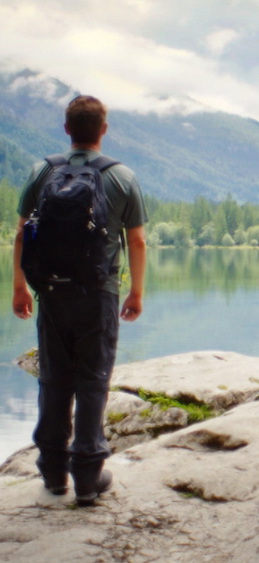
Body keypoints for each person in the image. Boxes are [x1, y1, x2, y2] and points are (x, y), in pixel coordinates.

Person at [11, 95, 147, 507]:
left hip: (51, 292)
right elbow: (137, 240)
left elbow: (21, 234)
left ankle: (53, 474)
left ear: (66, 129)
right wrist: (136, 292)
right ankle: (88, 477)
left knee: (54, 379)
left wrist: (19, 286)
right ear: (103, 130)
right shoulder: (122, 176)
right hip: (99, 293)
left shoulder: (42, 171)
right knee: (92, 381)